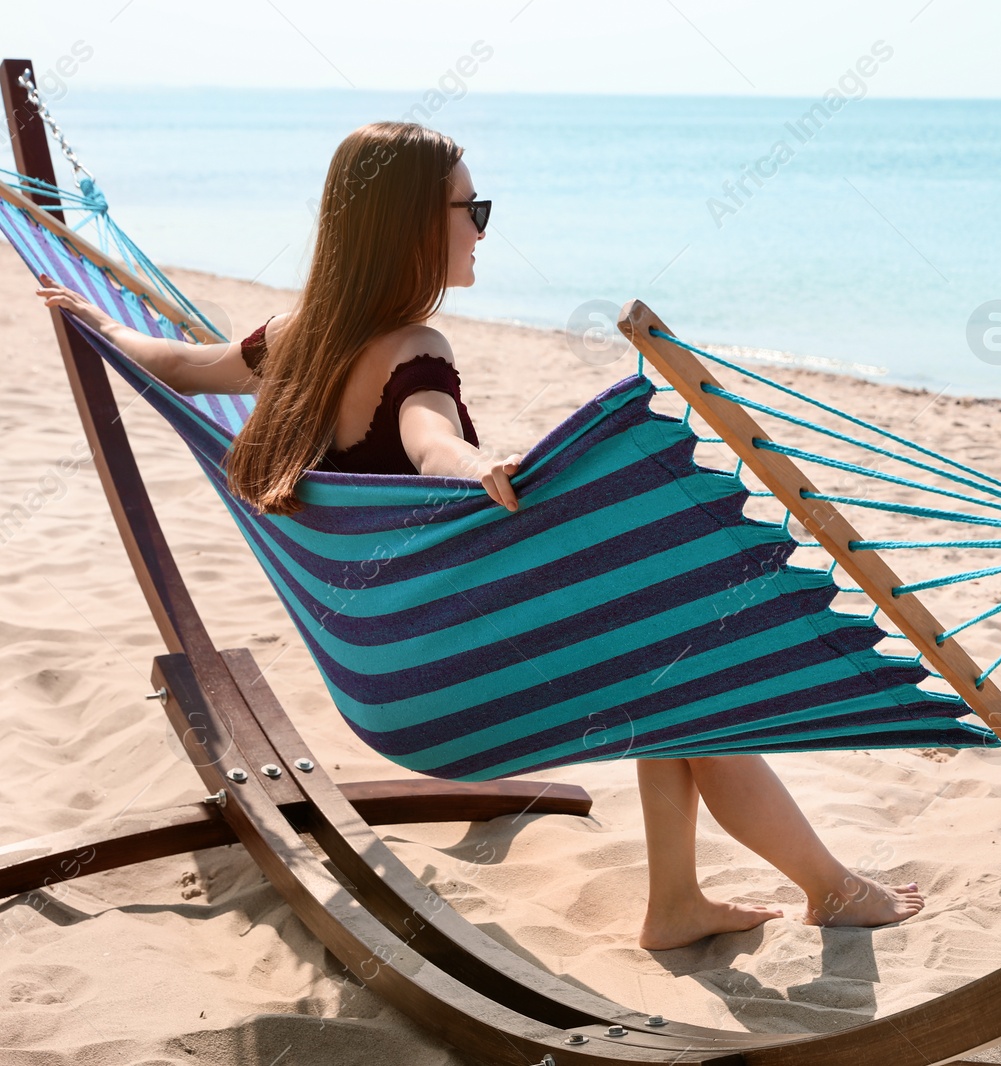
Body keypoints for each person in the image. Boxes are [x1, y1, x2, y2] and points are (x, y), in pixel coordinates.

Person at [35, 120, 923, 950]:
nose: (483, 231)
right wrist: (478, 462)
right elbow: (430, 441)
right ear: (414, 225)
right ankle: (830, 889)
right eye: (473, 210)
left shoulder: (296, 338)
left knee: (662, 657)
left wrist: (102, 324)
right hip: (450, 679)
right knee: (687, 677)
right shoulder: (415, 350)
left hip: (379, 669)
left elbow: (183, 366)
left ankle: (677, 903)